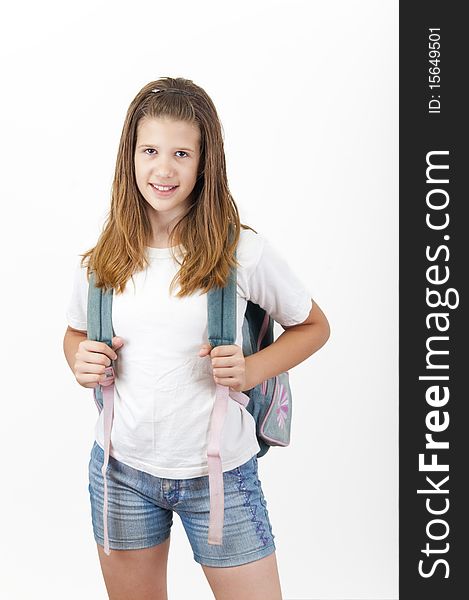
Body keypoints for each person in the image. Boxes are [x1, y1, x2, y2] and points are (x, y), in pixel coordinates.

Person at [63, 76, 330, 600]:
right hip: (119, 473)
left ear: (206, 162)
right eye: (151, 151)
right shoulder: (103, 258)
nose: (164, 169)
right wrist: (80, 358)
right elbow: (74, 333)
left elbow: (314, 326)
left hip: (221, 479)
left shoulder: (241, 253)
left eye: (182, 153)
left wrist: (251, 370)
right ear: (130, 157)